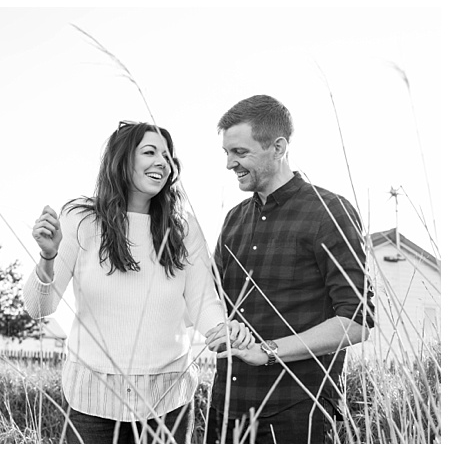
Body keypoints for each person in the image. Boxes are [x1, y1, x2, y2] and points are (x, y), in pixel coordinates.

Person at [22, 121, 254, 444]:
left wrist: (222, 330)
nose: (162, 161)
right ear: (122, 160)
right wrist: (48, 257)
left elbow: (203, 300)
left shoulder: (183, 226)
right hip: (93, 402)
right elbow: (38, 307)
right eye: (150, 152)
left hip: (168, 400)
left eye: (167, 156)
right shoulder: (80, 219)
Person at [204, 95, 374, 444]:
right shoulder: (233, 219)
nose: (229, 164)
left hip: (298, 412)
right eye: (226, 153)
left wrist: (268, 351)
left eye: (239, 152)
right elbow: (211, 302)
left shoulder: (331, 212)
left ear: (278, 146)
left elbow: (355, 323)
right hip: (225, 412)